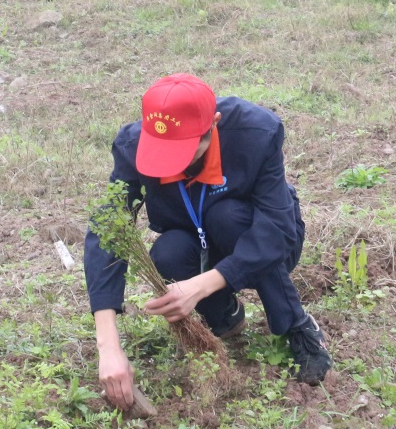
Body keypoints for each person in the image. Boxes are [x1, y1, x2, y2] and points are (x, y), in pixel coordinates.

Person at [84, 73, 332, 410]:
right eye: (162, 152)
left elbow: (277, 227)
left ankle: (296, 325)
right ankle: (225, 316)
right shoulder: (133, 147)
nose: (174, 164)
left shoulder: (256, 133)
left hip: (258, 234)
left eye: (184, 150)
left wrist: (200, 286)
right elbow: (107, 230)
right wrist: (108, 347)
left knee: (227, 216)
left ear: (213, 124)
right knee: (168, 251)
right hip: (193, 239)